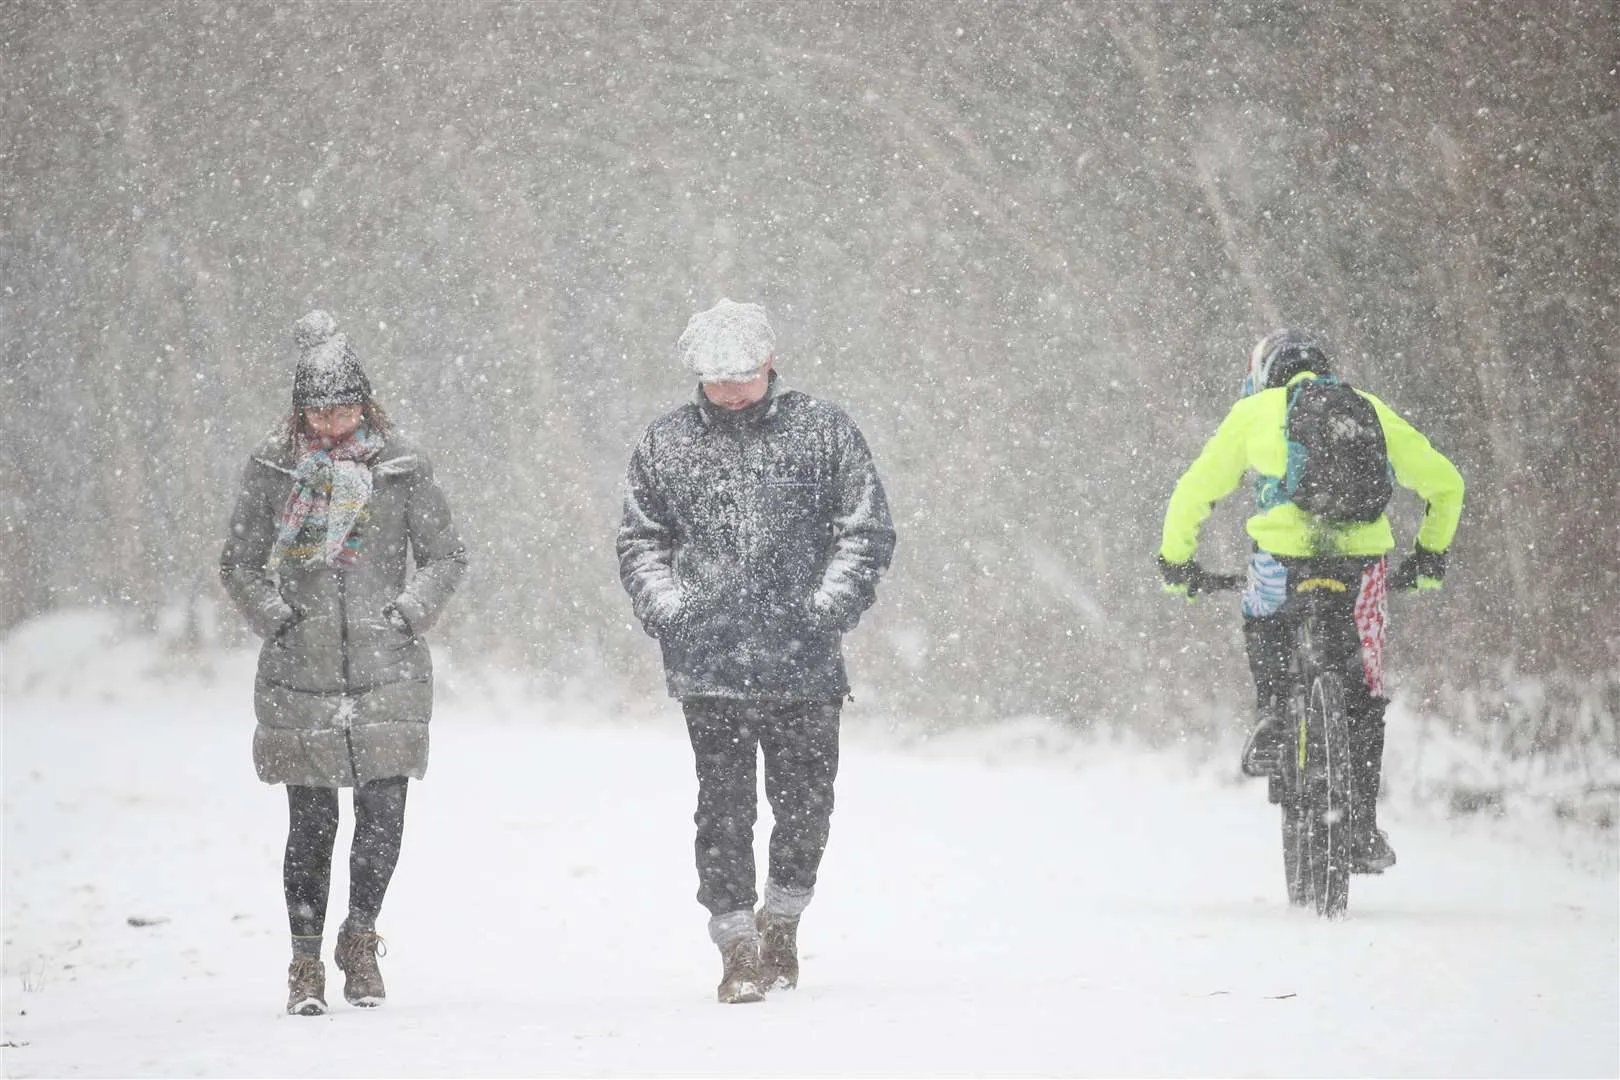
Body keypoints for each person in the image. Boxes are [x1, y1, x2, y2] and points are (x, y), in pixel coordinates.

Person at [617, 298, 896, 1004]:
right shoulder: (666, 444)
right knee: (723, 810)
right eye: (717, 381)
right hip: (708, 665)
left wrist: (827, 608)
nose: (732, 392)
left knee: (805, 808)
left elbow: (864, 531)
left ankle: (783, 919)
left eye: (742, 376)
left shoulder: (824, 433)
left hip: (804, 664)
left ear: (771, 363)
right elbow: (642, 541)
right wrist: (670, 611)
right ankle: (737, 944)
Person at [220, 310, 467, 1015]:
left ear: (366, 401)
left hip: (390, 667)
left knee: (383, 817)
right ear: (300, 408)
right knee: (312, 823)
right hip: (301, 672)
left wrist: (405, 613)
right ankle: (303, 962)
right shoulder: (273, 468)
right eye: (318, 409)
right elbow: (238, 563)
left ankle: (359, 939)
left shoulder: (401, 468)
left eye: (344, 406)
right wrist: (279, 619)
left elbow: (447, 556)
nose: (331, 421)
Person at [1157, 329, 1463, 874]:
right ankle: (1362, 827)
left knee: (1261, 611)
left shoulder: (1254, 414)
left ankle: (1275, 712)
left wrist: (1177, 563)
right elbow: (1447, 484)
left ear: (1263, 374)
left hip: (1282, 557)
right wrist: (1429, 556)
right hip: (1361, 563)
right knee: (1364, 689)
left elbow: (1192, 492)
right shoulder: (1367, 410)